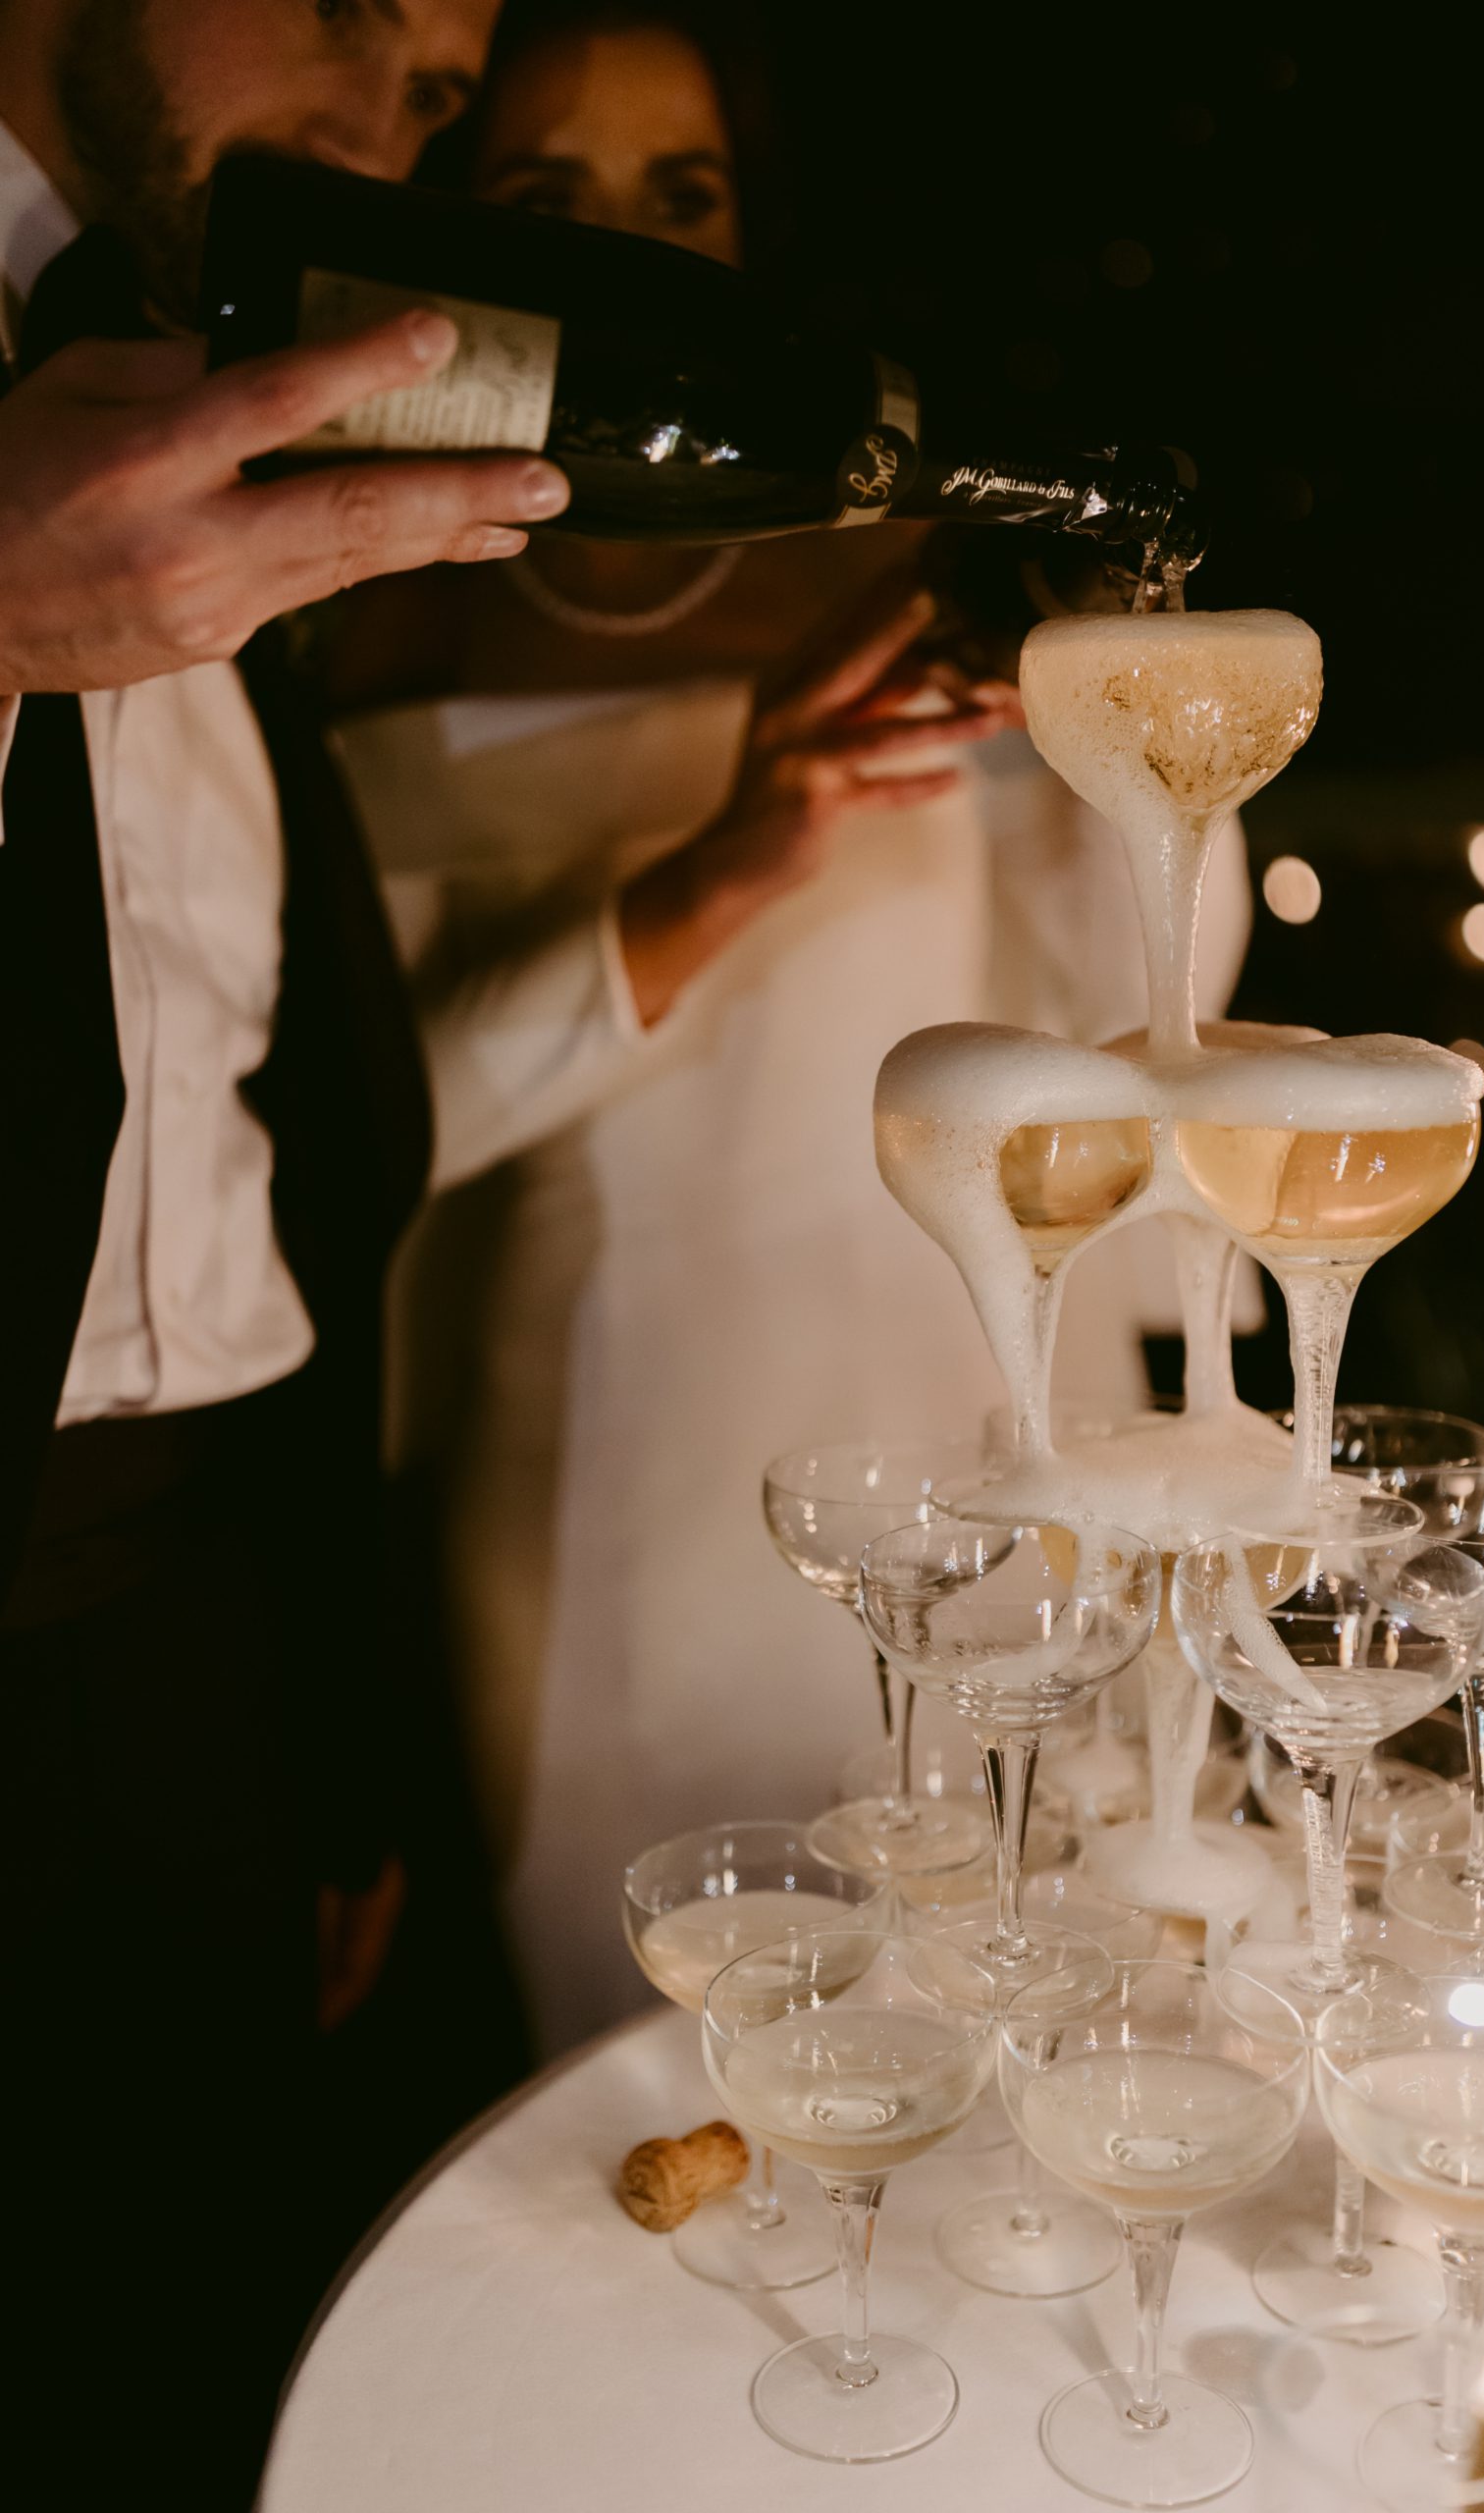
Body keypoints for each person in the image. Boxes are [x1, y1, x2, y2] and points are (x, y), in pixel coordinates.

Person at [329, 1, 1254, 2055]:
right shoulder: (356, 604)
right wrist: (730, 854)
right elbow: (351, 1127)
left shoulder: (905, 554)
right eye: (543, 191)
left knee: (1035, 2036)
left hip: (990, 1438)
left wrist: (1149, 741)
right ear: (442, 219)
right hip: (594, 1476)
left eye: (685, 191)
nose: (632, 242)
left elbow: (1158, 1010)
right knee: (669, 2063)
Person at [0, 3, 582, 2501]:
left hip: (200, 1654)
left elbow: (270, 1156)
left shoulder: (237, 388)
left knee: (185, 2382)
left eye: (440, 88)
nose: (381, 118)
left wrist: (320, 1733)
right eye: (344, 3)